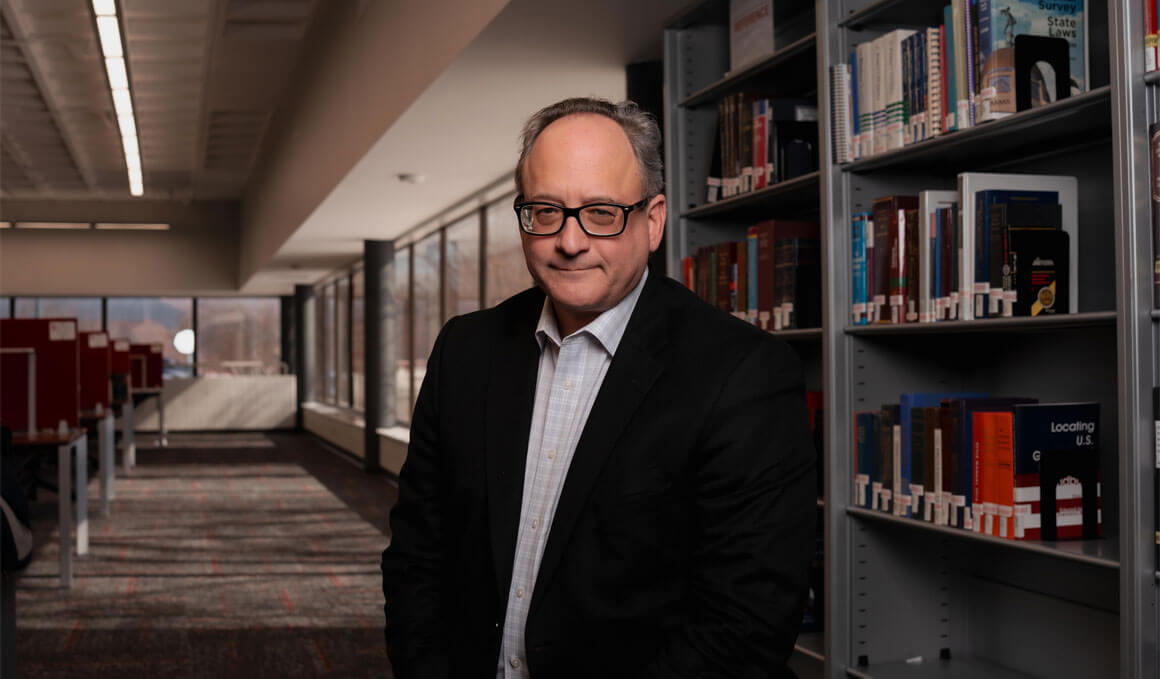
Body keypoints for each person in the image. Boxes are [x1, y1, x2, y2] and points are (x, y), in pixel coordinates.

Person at [381, 97, 816, 679]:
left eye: (602, 212)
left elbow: (745, 623)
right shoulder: (466, 351)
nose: (570, 240)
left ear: (653, 220)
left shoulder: (743, 373)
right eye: (546, 211)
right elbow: (417, 556)